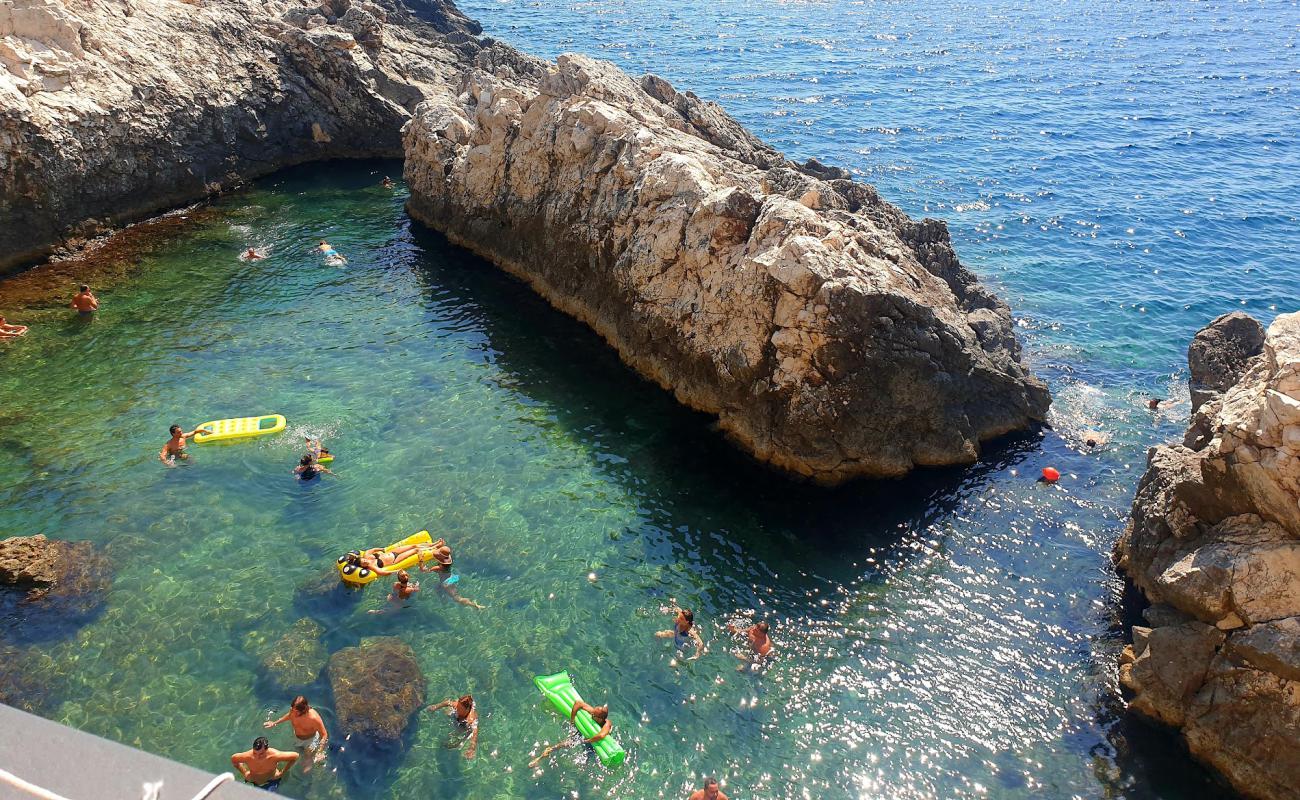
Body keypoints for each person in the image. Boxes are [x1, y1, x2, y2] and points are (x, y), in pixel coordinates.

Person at [528, 699, 611, 768]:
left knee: (588, 759)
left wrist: (588, 741)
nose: (591, 714)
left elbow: (601, 735)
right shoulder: (594, 712)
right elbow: (578, 703)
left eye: (593, 715)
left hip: (592, 741)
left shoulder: (606, 724)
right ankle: (542, 756)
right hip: (584, 735)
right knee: (566, 743)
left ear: (600, 719)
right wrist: (572, 720)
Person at [263, 695, 328, 771]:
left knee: (306, 763)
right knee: (295, 753)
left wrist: (320, 751)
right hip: (297, 738)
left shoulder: (314, 718)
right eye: (292, 709)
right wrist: (274, 722)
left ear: (303, 710)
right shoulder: (293, 711)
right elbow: (288, 716)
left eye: (295, 711)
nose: (292, 712)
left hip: (310, 740)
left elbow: (324, 734)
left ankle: (307, 778)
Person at [419, 541, 485, 609]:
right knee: (437, 588)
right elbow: (444, 551)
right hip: (451, 577)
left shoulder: (438, 568)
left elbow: (423, 570)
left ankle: (475, 605)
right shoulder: (448, 561)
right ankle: (444, 601)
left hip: (446, 583)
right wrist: (439, 544)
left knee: (457, 598)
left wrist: (421, 559)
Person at [231, 736, 297, 792]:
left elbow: (295, 756)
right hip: (252, 780)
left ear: (267, 749)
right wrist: (244, 773)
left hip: (272, 779)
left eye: (261, 754)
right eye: (255, 753)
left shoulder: (275, 756)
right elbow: (234, 759)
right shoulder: (247, 756)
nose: (257, 757)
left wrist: (282, 772)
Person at [427, 693, 479, 759]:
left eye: (460, 709)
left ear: (467, 710)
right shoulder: (457, 705)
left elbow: (474, 734)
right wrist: (435, 707)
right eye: (458, 706)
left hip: (464, 726)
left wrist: (471, 749)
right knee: (449, 712)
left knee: (455, 742)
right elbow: (447, 703)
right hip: (459, 718)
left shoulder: (471, 719)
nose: (457, 708)